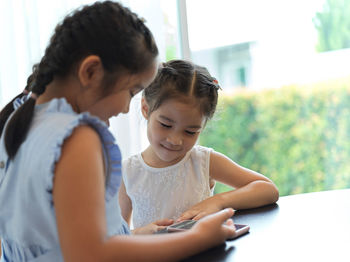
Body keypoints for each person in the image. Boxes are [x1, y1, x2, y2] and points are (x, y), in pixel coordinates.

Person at [0, 2, 237, 261]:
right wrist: (199, 237)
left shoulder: (18, 121)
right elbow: (92, 254)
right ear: (91, 71)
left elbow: (66, 242)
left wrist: (130, 237)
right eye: (132, 91)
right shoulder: (77, 137)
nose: (126, 108)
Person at [119, 60, 279, 228]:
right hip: (151, 255)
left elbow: (268, 189)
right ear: (145, 108)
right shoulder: (128, 172)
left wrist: (219, 201)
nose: (175, 140)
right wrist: (140, 235)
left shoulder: (202, 161)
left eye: (190, 131)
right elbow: (115, 239)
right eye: (166, 125)